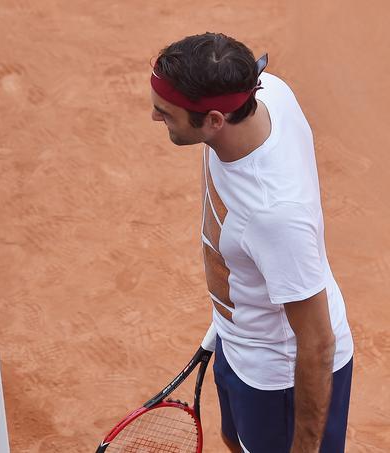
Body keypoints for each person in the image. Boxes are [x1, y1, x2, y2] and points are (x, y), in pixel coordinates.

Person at [150, 33, 353, 452]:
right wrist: (225, 325)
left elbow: (317, 341)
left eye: (165, 113)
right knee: (232, 439)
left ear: (214, 120)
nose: (155, 118)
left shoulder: (273, 215)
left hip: (282, 380)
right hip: (236, 339)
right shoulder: (267, 92)